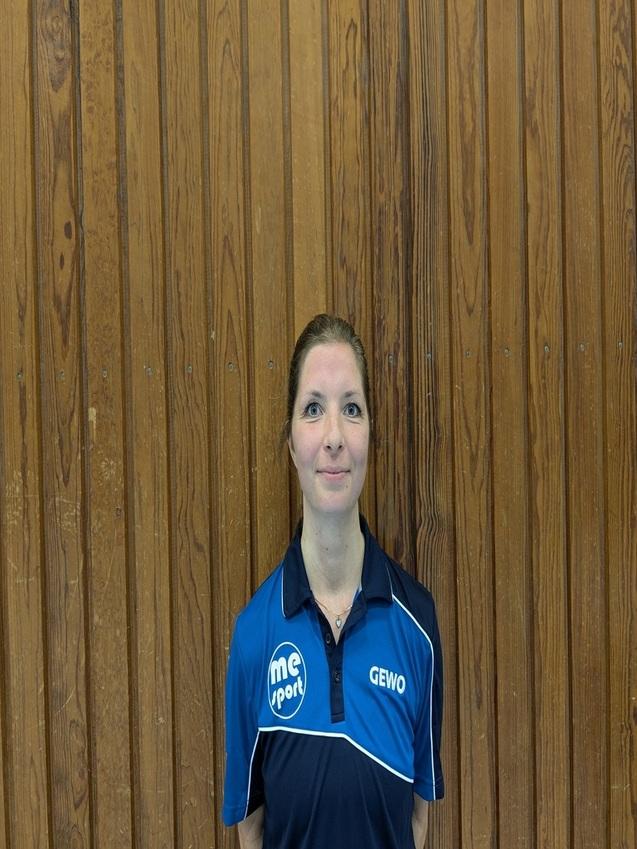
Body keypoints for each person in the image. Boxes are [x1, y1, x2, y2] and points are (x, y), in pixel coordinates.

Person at [222, 314, 444, 849]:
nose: (334, 437)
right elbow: (250, 829)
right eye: (314, 409)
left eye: (351, 408)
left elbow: (417, 821)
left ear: (370, 433)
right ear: (291, 440)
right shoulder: (255, 635)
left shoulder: (417, 624)